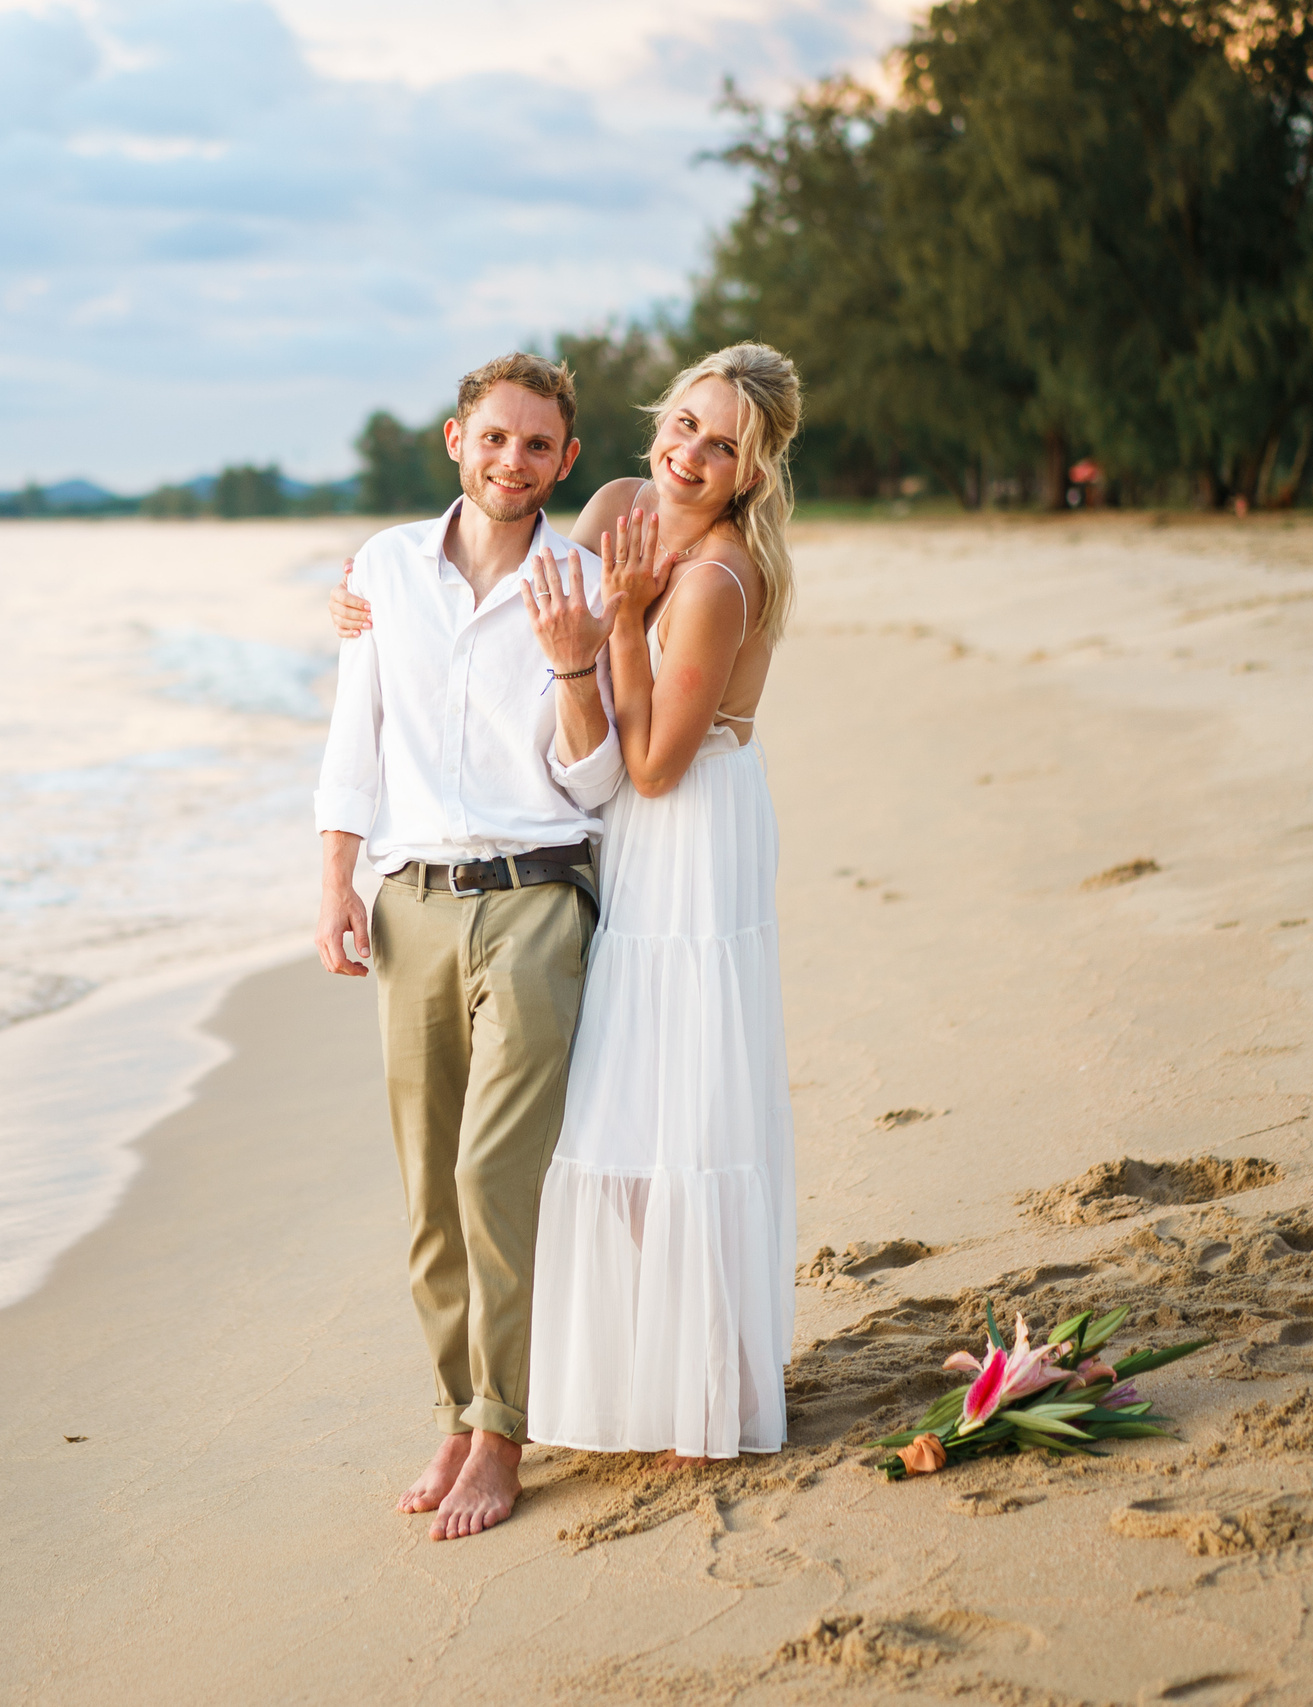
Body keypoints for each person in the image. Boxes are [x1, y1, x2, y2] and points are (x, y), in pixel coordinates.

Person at [329, 343, 803, 1461]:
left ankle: (724, 1381)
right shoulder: (619, 505)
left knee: (668, 1112)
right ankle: (631, 1377)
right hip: (608, 840)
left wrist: (624, 622)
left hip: (683, 844)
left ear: (752, 470)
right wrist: (370, 596)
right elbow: (521, 618)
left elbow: (649, 764)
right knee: (609, 1117)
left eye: (722, 445)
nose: (690, 454)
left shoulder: (717, 579)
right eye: (684, 423)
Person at [313, 351, 627, 1540]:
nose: (512, 460)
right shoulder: (383, 570)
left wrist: (575, 661)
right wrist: (335, 882)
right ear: (456, 440)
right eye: (493, 437)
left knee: (493, 1174)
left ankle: (501, 1430)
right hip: (411, 903)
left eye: (537, 444)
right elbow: (355, 735)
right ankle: (456, 1410)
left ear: (566, 460)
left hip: (539, 897)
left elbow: (593, 782)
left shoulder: (585, 583)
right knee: (428, 1187)